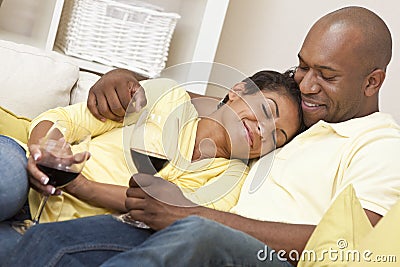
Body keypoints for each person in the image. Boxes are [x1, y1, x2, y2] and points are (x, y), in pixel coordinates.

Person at [4, 6, 400, 267]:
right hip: (182, 225)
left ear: (372, 82)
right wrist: (125, 81)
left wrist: (194, 213)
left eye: (326, 76)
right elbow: (232, 108)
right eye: (302, 66)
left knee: (197, 233)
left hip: (238, 245)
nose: (308, 85)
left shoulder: (380, 144)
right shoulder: (310, 115)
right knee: (38, 238)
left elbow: (354, 245)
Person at [0, 71, 301, 259]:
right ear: (238, 91)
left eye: (277, 135)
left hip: (43, 228)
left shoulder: (232, 181)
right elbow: (71, 120)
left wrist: (79, 185)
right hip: (25, 168)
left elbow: (156, 208)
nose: (264, 130)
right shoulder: (168, 97)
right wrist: (43, 148)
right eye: (265, 111)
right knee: (7, 182)